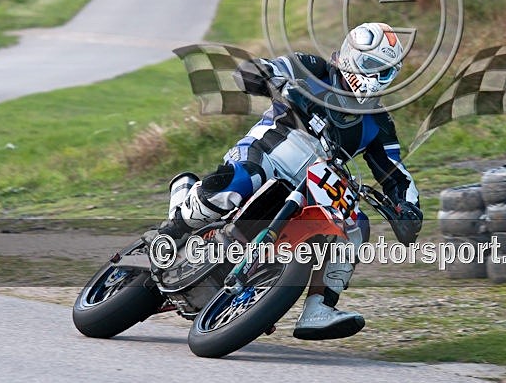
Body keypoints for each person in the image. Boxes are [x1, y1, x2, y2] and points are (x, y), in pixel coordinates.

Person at [156, 23, 422, 340]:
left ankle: (319, 308)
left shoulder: (379, 122)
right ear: (352, 56)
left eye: (386, 72)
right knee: (239, 181)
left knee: (356, 225)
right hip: (269, 150)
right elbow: (276, 67)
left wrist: (408, 208)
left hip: (318, 182)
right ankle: (173, 230)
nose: (376, 77)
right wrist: (258, 72)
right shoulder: (313, 68)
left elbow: (396, 173)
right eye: (371, 66)